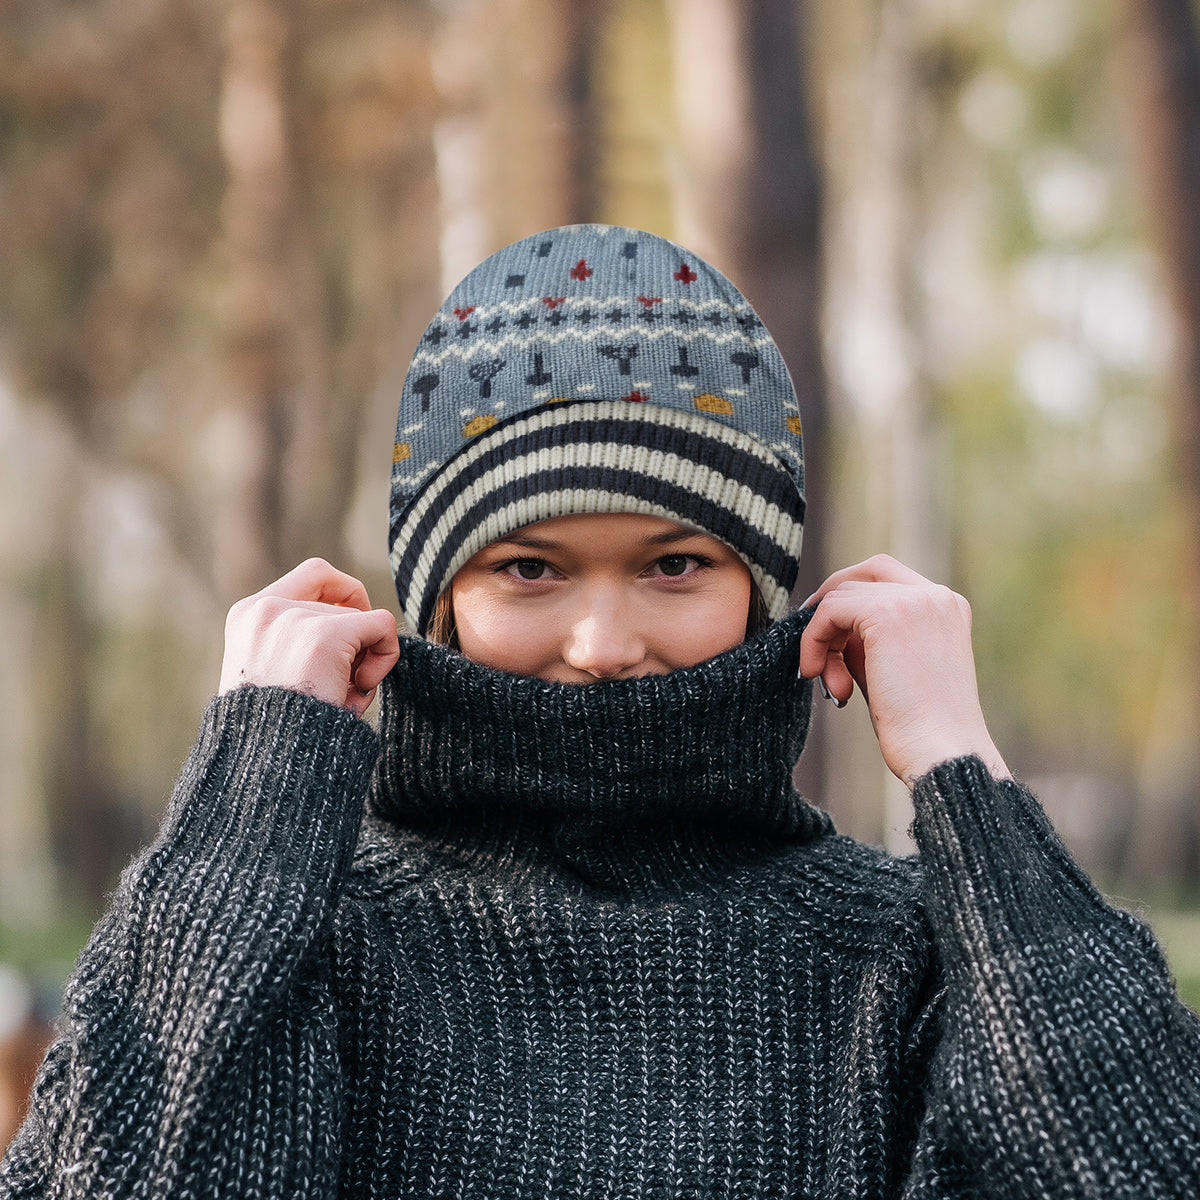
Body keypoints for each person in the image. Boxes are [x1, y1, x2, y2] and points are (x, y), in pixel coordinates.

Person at [3, 225, 1198, 1199]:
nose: (604, 642)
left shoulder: (902, 960)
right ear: (440, 598)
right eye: (529, 568)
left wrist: (964, 774)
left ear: (759, 589)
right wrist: (243, 815)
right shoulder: (307, 942)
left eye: (675, 564)